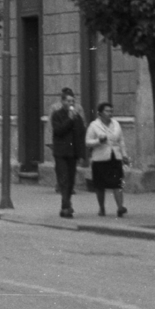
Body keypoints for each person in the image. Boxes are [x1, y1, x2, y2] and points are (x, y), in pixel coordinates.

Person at [49, 88, 88, 217]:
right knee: (63, 179)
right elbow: (58, 131)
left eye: (73, 101)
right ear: (63, 102)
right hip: (61, 153)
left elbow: (80, 135)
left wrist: (82, 154)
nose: (71, 103)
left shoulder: (77, 117)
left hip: (72, 153)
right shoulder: (57, 115)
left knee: (71, 180)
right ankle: (66, 207)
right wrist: (69, 120)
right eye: (68, 101)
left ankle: (66, 204)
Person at [86, 102, 127, 217]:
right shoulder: (94, 125)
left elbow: (121, 140)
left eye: (111, 111)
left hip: (115, 157)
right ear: (100, 113)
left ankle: (120, 207)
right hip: (100, 159)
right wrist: (99, 141)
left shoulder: (116, 124)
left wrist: (124, 154)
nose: (110, 113)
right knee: (100, 185)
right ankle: (101, 208)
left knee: (117, 183)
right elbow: (88, 142)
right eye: (107, 111)